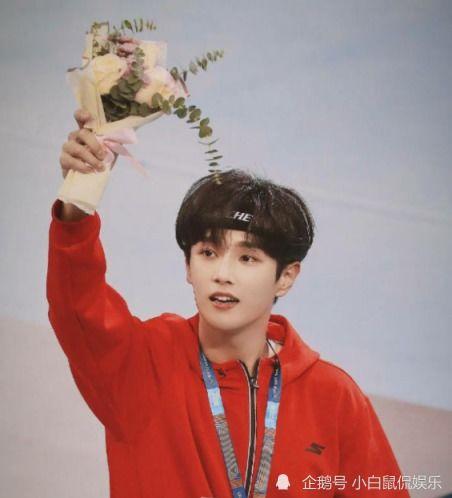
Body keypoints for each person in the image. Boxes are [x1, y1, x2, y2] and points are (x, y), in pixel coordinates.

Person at [47, 109, 410, 498]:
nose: (223, 273)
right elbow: (77, 305)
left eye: (247, 258)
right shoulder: (143, 364)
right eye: (208, 253)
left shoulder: (334, 397)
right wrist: (80, 196)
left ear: (286, 276)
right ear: (188, 266)